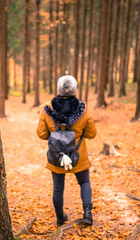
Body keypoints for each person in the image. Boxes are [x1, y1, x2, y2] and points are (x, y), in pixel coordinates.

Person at [36, 75, 97, 226]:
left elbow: (42, 134)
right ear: (75, 89)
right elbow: (91, 134)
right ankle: (88, 214)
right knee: (84, 182)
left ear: (58, 88)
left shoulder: (47, 109)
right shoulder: (83, 109)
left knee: (58, 188)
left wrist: (56, 134)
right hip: (79, 155)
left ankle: (59, 218)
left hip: (57, 155)